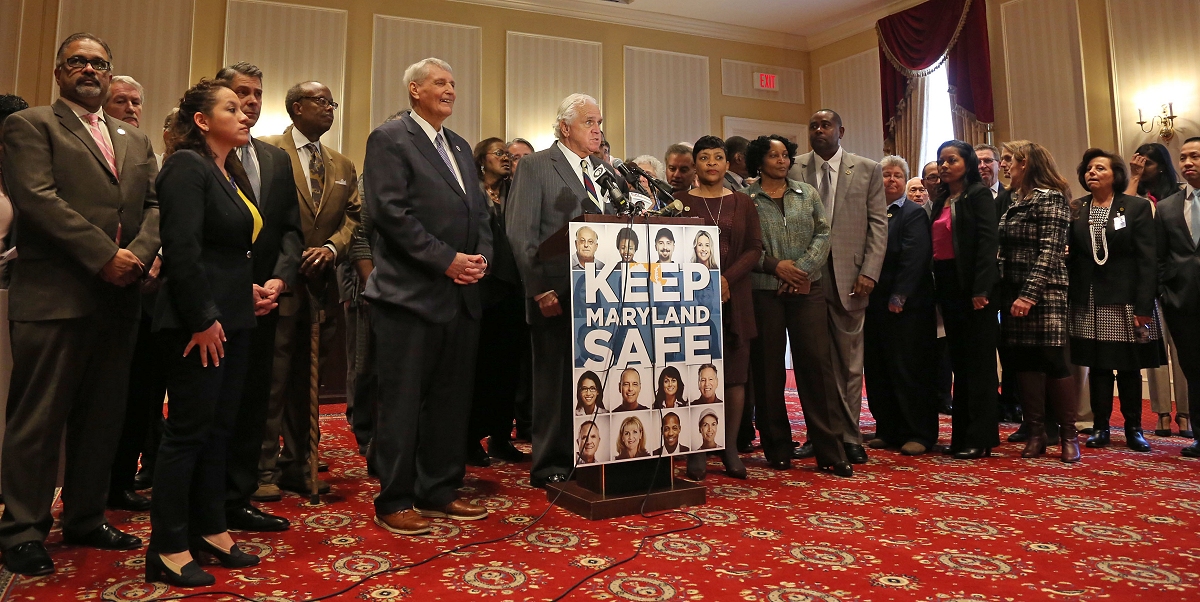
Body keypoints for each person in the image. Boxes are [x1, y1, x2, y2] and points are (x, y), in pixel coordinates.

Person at [0, 33, 160, 577]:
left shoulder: (133, 140)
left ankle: (87, 516)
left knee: (101, 418)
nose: (89, 70)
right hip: (55, 298)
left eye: (98, 63)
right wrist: (104, 256)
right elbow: (37, 198)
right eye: (78, 62)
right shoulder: (31, 125)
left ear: (110, 74)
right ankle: (22, 528)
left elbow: (156, 204)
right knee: (38, 420)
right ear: (58, 71)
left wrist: (136, 255)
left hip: (119, 300)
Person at [146, 78, 269, 587]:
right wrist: (202, 319)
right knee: (188, 432)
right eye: (232, 108)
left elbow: (228, 252)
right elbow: (181, 249)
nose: (245, 115)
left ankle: (211, 527)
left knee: (220, 428)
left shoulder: (226, 169)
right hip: (199, 323)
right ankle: (169, 546)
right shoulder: (185, 166)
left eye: (245, 109)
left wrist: (249, 292)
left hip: (234, 318)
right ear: (201, 120)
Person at [363, 57, 492, 536]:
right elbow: (391, 214)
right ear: (414, 89)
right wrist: (446, 260)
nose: (450, 90)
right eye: (440, 82)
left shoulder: (458, 146)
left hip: (461, 296)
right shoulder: (390, 138)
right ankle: (394, 498)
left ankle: (438, 488)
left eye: (454, 83)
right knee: (400, 404)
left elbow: (478, 213)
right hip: (409, 296)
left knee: (449, 402)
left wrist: (480, 258)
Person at [258, 80, 361, 499]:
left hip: (321, 287)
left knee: (309, 381)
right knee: (273, 379)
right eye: (321, 102)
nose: (330, 108)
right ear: (296, 108)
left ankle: (298, 463)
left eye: (332, 102)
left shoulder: (341, 164)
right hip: (276, 283)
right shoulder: (267, 150)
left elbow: (354, 219)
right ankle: (261, 469)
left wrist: (333, 249)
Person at [506, 93, 614, 489]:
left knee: (591, 380)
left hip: (600, 294)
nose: (597, 130)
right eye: (589, 122)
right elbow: (520, 233)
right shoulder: (536, 166)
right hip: (555, 294)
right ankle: (550, 462)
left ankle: (589, 454)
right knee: (554, 383)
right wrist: (538, 289)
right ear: (565, 127)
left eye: (599, 123)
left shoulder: (602, 171)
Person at [212, 62, 302, 533]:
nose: (250, 101)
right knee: (213, 411)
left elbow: (289, 228)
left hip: (266, 301)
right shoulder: (203, 156)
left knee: (254, 405)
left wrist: (279, 280)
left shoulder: (274, 158)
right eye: (240, 92)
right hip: (216, 306)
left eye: (257, 93)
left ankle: (238, 498)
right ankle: (206, 507)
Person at [744, 134, 851, 477]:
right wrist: (775, 267)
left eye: (785, 155)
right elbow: (744, 246)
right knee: (768, 370)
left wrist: (800, 269)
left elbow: (824, 235)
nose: (781, 160)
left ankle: (829, 449)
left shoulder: (808, 194)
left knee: (817, 367)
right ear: (759, 161)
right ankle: (777, 447)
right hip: (764, 290)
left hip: (808, 290)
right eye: (773, 155)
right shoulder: (746, 199)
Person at [788, 110, 887, 465]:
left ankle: (849, 435)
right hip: (807, 277)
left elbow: (878, 224)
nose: (818, 130)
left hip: (851, 276)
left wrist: (870, 272)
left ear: (840, 130)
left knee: (848, 363)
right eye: (813, 125)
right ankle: (821, 435)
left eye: (825, 125)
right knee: (814, 361)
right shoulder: (794, 167)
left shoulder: (867, 169)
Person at [673, 135, 762, 481]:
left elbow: (755, 249)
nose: (712, 163)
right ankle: (697, 451)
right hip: (691, 303)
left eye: (718, 157)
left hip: (735, 299)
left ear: (728, 164)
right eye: (704, 157)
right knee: (696, 374)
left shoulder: (743, 202)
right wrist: (706, 281)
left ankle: (727, 448)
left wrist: (725, 279)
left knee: (734, 378)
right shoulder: (679, 202)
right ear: (695, 164)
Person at [1069, 148, 1162, 453]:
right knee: (1097, 366)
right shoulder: (1077, 208)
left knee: (1128, 366)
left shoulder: (1134, 207)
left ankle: (1134, 428)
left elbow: (1148, 259)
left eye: (1100, 168)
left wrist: (1144, 305)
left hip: (1125, 299)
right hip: (1088, 299)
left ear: (1116, 175)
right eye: (1088, 169)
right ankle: (1100, 427)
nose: (1091, 173)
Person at [995, 141, 1079, 463]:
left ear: (1025, 162)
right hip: (1013, 292)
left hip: (1045, 293)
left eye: (1008, 160)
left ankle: (1069, 436)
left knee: (1053, 360)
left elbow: (1051, 250)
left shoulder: (1052, 197)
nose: (1005, 166)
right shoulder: (1015, 199)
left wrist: (1029, 295)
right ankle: (1036, 432)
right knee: (1024, 361)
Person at [863, 156, 938, 456]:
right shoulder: (870, 212)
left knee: (909, 368)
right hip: (872, 302)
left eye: (898, 175)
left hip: (906, 305)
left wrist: (900, 296)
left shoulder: (913, 213)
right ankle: (888, 429)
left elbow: (914, 258)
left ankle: (918, 431)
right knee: (880, 367)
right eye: (886, 175)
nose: (891, 180)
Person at [930, 140, 1000, 459]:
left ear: (967, 163)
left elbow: (988, 244)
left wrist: (981, 289)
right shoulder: (942, 198)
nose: (944, 166)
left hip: (974, 288)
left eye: (951, 160)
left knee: (979, 366)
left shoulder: (979, 194)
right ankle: (961, 437)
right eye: (941, 161)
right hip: (948, 288)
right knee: (960, 364)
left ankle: (981, 437)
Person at [467, 137, 528, 466]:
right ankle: (470, 438)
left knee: (508, 369)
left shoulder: (514, 191)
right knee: (480, 368)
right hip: (480, 287)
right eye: (499, 154)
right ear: (481, 160)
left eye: (508, 154)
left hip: (511, 289)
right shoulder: (470, 190)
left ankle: (501, 438)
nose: (506, 158)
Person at [1128, 143, 1189, 437]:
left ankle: (1186, 414)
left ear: (1162, 165)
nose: (1142, 167)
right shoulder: (1135, 196)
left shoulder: (1180, 195)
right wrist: (1134, 178)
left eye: (1147, 163)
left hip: (1177, 283)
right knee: (1156, 354)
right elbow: (1121, 219)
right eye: (1137, 162)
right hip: (1144, 284)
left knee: (1183, 352)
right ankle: (1163, 413)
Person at [1158, 138, 1200, 457]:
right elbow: (1159, 256)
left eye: (1195, 156)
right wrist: (1164, 292)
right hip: (1182, 302)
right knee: (1194, 370)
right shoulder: (1168, 205)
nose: (1187, 162)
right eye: (1183, 157)